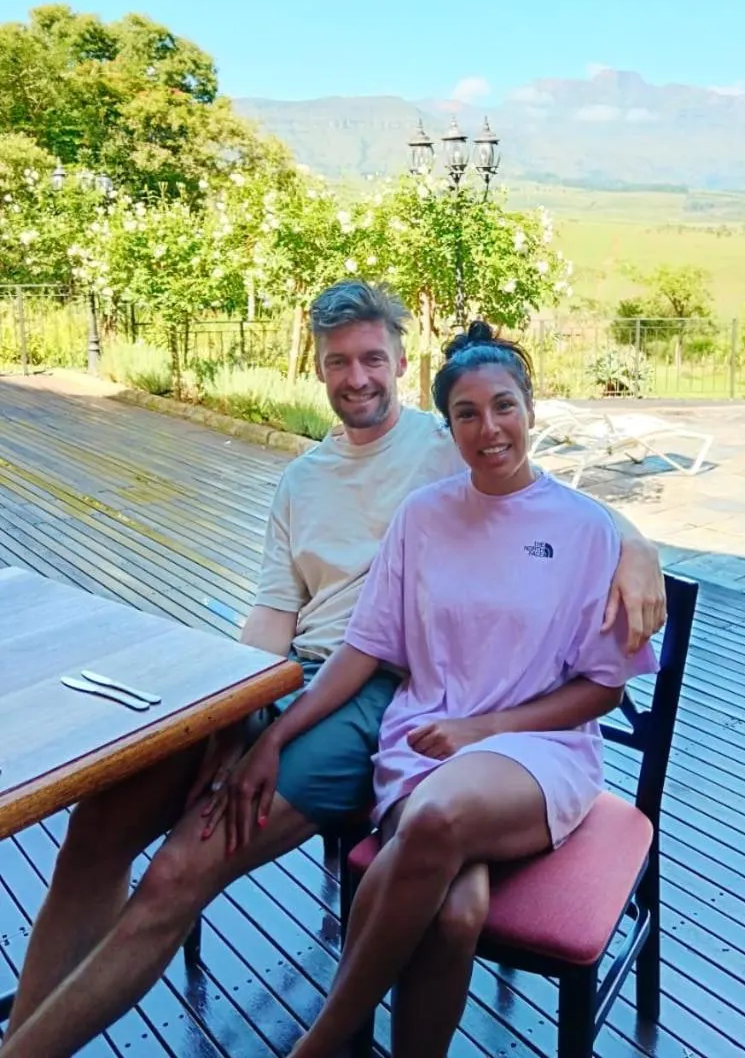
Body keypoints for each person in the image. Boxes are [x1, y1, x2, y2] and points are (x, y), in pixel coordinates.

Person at [0, 282, 665, 1058]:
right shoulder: (301, 479)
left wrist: (636, 542)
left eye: (373, 358)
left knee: (179, 870)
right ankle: (26, 1030)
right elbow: (272, 617)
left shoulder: (443, 439)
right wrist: (234, 715)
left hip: (379, 689)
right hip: (283, 679)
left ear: (401, 362)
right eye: (338, 362)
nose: (357, 378)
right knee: (99, 826)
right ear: (315, 369)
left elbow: (535, 495)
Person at [215, 319, 660, 1058]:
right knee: (457, 916)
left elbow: (604, 690)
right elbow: (363, 650)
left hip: (537, 752)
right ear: (445, 429)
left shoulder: (587, 531)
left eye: (504, 406)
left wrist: (481, 732)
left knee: (438, 815)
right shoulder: (423, 517)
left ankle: (320, 1044)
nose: (489, 428)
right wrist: (278, 735)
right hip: (422, 742)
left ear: (531, 410)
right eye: (467, 413)